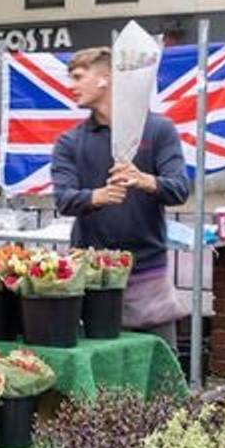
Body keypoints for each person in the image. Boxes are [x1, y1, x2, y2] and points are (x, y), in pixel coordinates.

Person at [48, 46, 192, 341]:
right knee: (100, 374)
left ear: (105, 78)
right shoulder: (69, 142)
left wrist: (144, 180)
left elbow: (179, 189)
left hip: (148, 274)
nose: (70, 86)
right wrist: (95, 197)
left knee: (159, 373)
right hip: (91, 275)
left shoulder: (158, 130)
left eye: (77, 77)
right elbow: (63, 199)